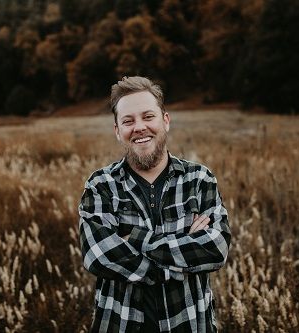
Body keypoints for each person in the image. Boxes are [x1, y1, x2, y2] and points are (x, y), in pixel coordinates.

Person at [79, 76, 231, 333]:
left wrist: (134, 239)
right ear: (118, 131)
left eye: (148, 116)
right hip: (120, 325)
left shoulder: (199, 180)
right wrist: (183, 253)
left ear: (165, 121)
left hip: (189, 323)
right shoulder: (100, 185)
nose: (139, 127)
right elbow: (98, 257)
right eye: (128, 121)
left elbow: (216, 249)